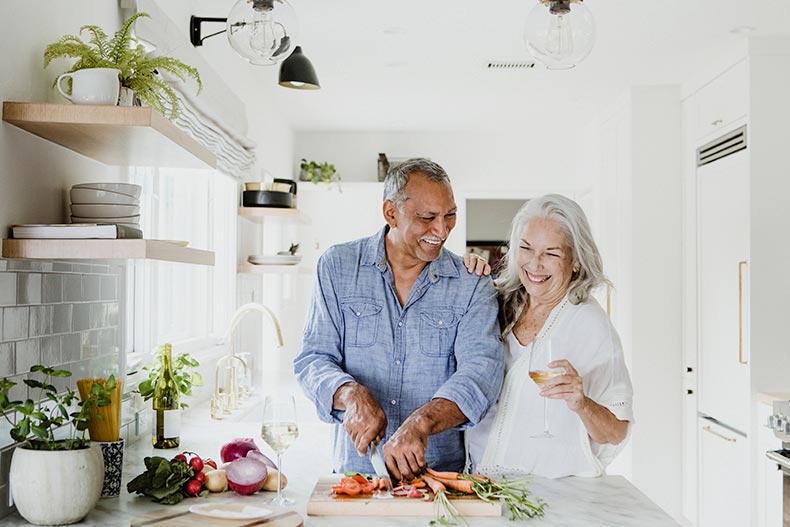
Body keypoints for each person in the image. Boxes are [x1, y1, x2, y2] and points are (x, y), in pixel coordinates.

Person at [294, 158, 504, 481]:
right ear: (391, 213)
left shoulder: (472, 283)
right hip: (355, 477)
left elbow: (481, 374)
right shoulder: (337, 267)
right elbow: (313, 359)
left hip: (439, 481)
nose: (442, 230)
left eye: (450, 216)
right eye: (427, 218)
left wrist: (421, 422)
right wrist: (349, 394)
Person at [466, 194, 633, 478]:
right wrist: (464, 274)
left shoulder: (590, 325)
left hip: (548, 494)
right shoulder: (499, 301)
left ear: (576, 261)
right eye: (526, 248)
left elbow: (615, 432)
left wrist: (582, 403)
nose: (534, 264)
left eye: (551, 254)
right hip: (479, 481)